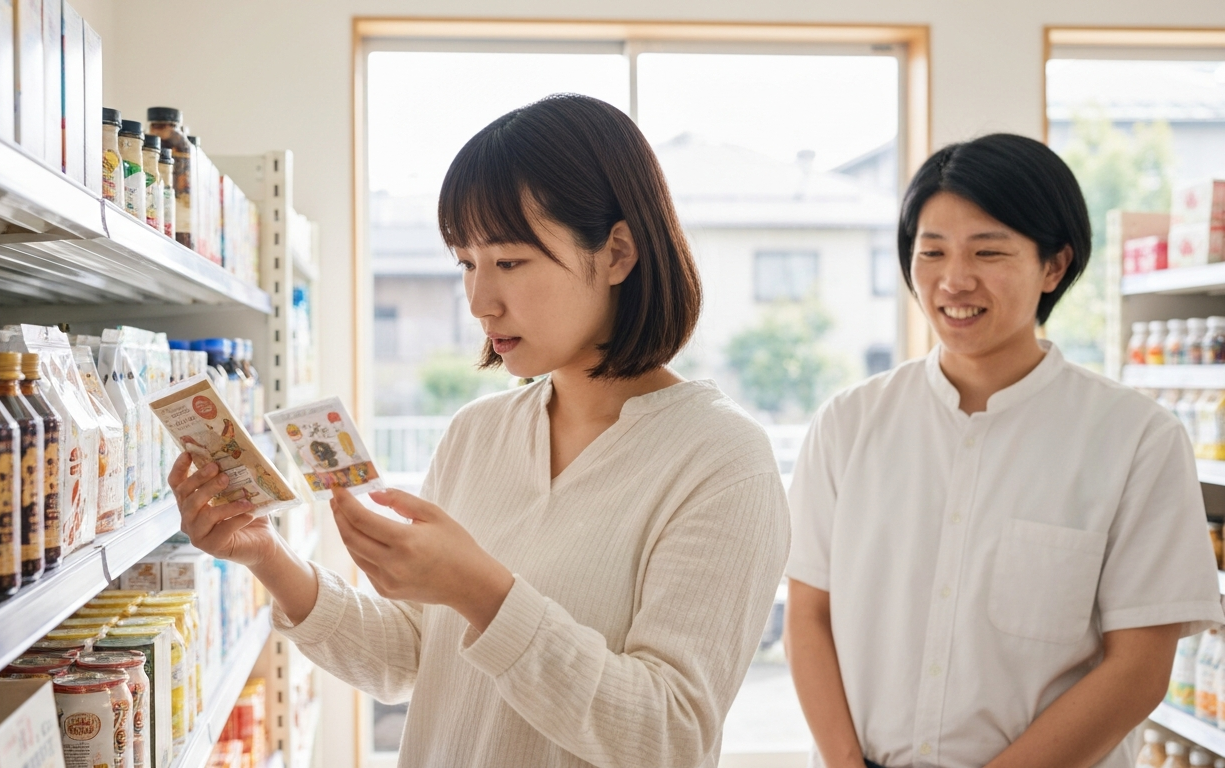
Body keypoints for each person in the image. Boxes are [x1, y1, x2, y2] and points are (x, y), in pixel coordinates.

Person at [169, 94, 791, 768]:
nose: (479, 301)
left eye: (510, 262)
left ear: (617, 253)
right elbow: (414, 657)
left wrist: (481, 590)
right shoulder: (477, 432)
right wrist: (267, 556)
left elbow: (668, 735)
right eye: (467, 263)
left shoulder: (722, 460)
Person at [785, 133, 1225, 768]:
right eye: (931, 251)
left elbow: (1138, 669)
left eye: (988, 251)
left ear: (1054, 265)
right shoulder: (848, 425)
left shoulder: (1137, 440)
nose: (954, 280)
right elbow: (809, 614)